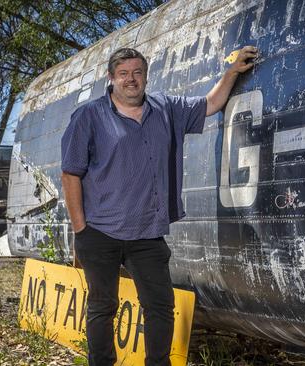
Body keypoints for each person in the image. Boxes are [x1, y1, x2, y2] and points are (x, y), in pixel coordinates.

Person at [60, 46, 258, 366]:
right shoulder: (89, 116)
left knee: (160, 306)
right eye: (123, 73)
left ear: (146, 76)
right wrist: (80, 228)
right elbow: (71, 172)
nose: (131, 79)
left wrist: (232, 72)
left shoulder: (166, 108)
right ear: (111, 78)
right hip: (100, 231)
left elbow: (210, 104)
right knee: (102, 307)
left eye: (137, 72)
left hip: (147, 233)